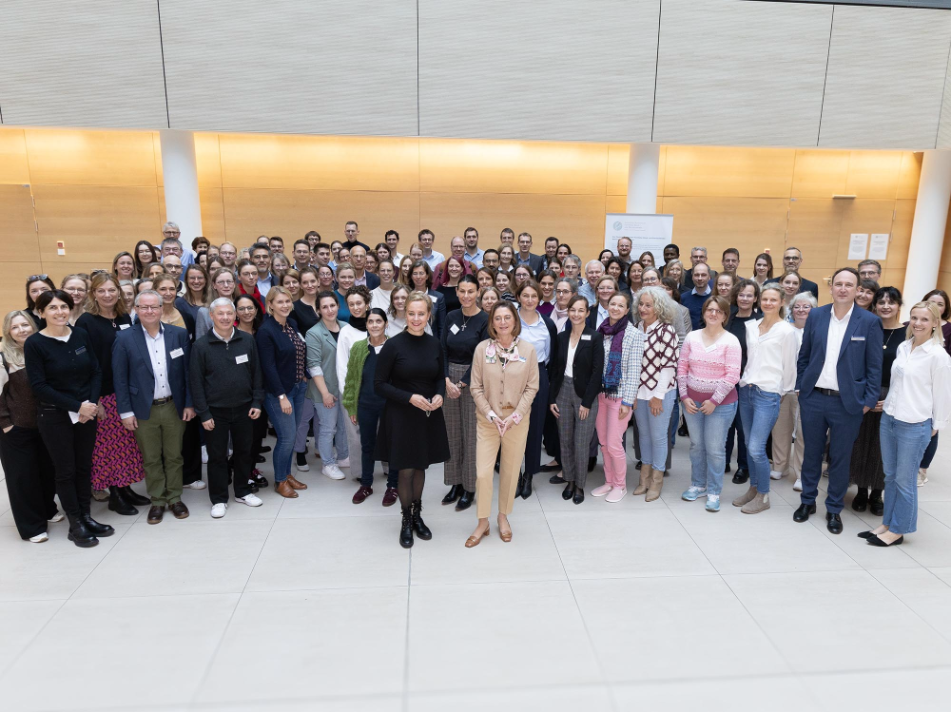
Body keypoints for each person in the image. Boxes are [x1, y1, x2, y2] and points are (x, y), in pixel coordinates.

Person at [794, 268, 883, 534]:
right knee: (811, 453)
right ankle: (807, 501)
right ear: (831, 287)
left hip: (848, 403)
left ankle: (833, 509)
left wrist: (867, 400)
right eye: (838, 284)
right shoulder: (817, 315)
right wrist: (801, 386)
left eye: (849, 284)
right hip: (814, 398)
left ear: (858, 290)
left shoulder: (868, 322)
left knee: (840, 458)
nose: (843, 288)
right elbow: (805, 355)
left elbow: (874, 367)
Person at [24, 289, 110, 547]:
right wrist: (77, 406)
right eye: (52, 308)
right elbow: (39, 386)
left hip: (87, 412)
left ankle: (86, 515)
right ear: (41, 312)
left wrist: (91, 404)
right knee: (65, 470)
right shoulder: (35, 343)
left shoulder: (80, 335)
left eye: (64, 306)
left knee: (84, 466)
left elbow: (96, 371)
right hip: (55, 416)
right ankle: (75, 523)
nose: (60, 312)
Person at [861, 301, 951, 547]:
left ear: (935, 323)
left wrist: (935, 427)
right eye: (914, 318)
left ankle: (899, 530)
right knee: (889, 476)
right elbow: (898, 383)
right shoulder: (903, 346)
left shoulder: (938, 355)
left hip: (914, 423)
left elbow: (943, 395)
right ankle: (887, 523)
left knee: (905, 479)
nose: (918, 323)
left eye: (924, 319)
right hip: (890, 418)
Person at [375, 291, 450, 548]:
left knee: (420, 466)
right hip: (402, 414)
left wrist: (440, 394)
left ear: (429, 315)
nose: (416, 318)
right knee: (405, 469)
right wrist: (409, 398)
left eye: (421, 314)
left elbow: (440, 376)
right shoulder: (393, 345)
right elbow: (379, 384)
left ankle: (417, 516)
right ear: (403, 313)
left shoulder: (435, 344)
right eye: (411, 313)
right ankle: (406, 520)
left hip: (428, 414)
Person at [113, 290, 194, 524]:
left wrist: (189, 403)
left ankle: (175, 498)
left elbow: (188, 373)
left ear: (161, 309)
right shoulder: (124, 338)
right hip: (142, 408)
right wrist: (125, 412)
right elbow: (120, 378)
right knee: (151, 458)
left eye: (154, 307)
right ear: (136, 310)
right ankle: (158, 500)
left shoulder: (178, 335)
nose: (149, 311)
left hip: (173, 406)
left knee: (174, 455)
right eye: (144, 307)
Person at [75, 273, 149, 516]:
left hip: (126, 391)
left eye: (111, 290)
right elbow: (85, 363)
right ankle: (115, 495)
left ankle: (125, 488)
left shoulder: (124, 317)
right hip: (103, 394)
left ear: (118, 291)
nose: (107, 295)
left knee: (127, 445)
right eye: (101, 291)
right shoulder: (87, 321)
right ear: (93, 294)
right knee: (109, 448)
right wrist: (94, 399)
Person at [468, 301, 539, 546]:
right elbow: (475, 387)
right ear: (492, 323)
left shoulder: (528, 350)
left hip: (516, 422)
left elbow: (532, 387)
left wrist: (515, 416)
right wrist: (490, 414)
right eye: (497, 318)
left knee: (510, 472)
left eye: (507, 317)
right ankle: (482, 521)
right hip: (488, 421)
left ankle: (503, 517)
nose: (503, 322)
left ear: (515, 321)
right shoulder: (482, 350)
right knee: (483, 473)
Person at [190, 298, 265, 518]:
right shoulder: (201, 346)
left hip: (245, 409)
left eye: (229, 313)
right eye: (220, 314)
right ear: (211, 316)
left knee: (244, 452)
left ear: (235, 316)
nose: (225, 318)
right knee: (217, 457)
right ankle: (219, 498)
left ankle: (242, 491)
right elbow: (196, 382)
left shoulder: (247, 341)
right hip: (215, 412)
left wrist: (257, 402)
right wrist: (203, 413)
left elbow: (257, 374)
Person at [732, 285, 798, 515]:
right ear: (760, 301)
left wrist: (782, 392)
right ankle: (754, 489)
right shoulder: (750, 326)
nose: (768, 303)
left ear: (781, 302)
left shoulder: (787, 331)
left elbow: (790, 367)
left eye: (774, 299)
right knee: (749, 445)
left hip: (768, 393)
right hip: (746, 389)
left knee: (756, 447)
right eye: (765, 299)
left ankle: (764, 495)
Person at [677, 295, 742, 512]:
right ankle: (697, 485)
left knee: (714, 449)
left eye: (719, 311)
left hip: (721, 405)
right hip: (692, 402)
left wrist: (714, 401)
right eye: (710, 309)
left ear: (725, 315)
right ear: (704, 312)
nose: (713, 314)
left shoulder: (731, 341)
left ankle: (714, 491)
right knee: (696, 446)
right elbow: (682, 368)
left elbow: (733, 375)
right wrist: (685, 397)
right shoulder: (691, 338)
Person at [0, 311, 60, 542]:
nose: (22, 330)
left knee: (47, 471)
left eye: (25, 324)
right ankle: (32, 527)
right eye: (15, 327)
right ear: (8, 332)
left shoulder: (41, 349)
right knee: (23, 478)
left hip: (46, 424)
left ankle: (48, 510)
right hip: (16, 428)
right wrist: (6, 424)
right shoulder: (4, 357)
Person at [846, 287, 902, 513]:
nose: (886, 306)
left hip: (894, 395)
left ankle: (877, 494)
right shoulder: (867, 327)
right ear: (875, 305)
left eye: (892, 302)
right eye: (881, 302)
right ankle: (860, 491)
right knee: (860, 444)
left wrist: (890, 399)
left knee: (882, 448)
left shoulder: (907, 334)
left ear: (899, 306)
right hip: (864, 394)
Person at [585, 292, 642, 502]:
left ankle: (620, 485)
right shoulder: (602, 331)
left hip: (620, 398)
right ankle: (609, 482)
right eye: (613, 304)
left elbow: (635, 371)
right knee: (603, 442)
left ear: (627, 310)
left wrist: (628, 402)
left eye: (621, 305)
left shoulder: (634, 334)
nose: (616, 308)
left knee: (614, 443)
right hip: (601, 395)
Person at [440, 276, 489, 510]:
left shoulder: (484, 321)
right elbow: (442, 350)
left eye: (471, 291)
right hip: (449, 380)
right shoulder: (451, 316)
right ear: (457, 292)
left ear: (478, 292)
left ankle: (470, 487)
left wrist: (461, 384)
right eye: (462, 291)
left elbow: (483, 358)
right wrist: (447, 380)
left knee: (471, 436)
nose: (466, 296)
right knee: (452, 434)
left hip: (474, 382)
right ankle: (455, 483)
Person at [256, 286, 310, 498]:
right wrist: (281, 396)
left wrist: (303, 373)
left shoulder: (292, 324)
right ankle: (279, 481)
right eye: (280, 302)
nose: (286, 305)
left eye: (288, 301)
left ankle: (287, 474)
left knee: (292, 434)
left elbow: (299, 349)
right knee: (287, 437)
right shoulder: (266, 331)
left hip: (297, 387)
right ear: (270, 305)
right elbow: (268, 367)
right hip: (278, 393)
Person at [549, 295, 603, 503]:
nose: (576, 314)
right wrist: (552, 398)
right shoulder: (562, 336)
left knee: (581, 443)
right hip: (563, 390)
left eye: (581, 310)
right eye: (573, 310)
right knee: (565, 440)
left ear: (587, 313)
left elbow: (597, 372)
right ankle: (569, 480)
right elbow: (555, 368)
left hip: (585, 394)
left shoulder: (594, 337)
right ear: (568, 312)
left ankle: (580, 485)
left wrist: (587, 402)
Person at [343, 307, 399, 506]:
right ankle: (366, 484)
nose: (374, 325)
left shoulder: (394, 346)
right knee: (367, 445)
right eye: (370, 322)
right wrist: (351, 406)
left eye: (378, 321)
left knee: (392, 445)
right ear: (366, 325)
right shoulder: (359, 348)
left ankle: (393, 485)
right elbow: (351, 379)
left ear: (385, 324)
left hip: (390, 405)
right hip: (365, 404)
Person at [632, 287, 680, 502]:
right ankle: (644, 479)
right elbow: (631, 365)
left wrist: (658, 396)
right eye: (641, 304)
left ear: (658, 307)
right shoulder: (636, 328)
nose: (643, 308)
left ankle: (657, 480)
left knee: (659, 438)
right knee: (643, 437)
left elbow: (669, 366)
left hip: (661, 393)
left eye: (648, 305)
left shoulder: (666, 331)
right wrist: (632, 394)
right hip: (639, 394)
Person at [514, 279, 558, 499]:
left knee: (535, 429)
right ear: (518, 297)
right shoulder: (510, 321)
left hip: (538, 375)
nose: (530, 300)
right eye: (525, 295)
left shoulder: (547, 324)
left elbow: (550, 356)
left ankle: (529, 474)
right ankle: (514, 475)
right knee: (513, 428)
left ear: (540, 298)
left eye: (534, 296)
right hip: (512, 376)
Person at [770, 291, 815, 491]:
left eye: (806, 306)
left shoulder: (818, 332)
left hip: (806, 390)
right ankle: (780, 466)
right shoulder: (784, 330)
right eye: (797, 306)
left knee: (804, 433)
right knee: (780, 428)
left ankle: (800, 473)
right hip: (782, 387)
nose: (801, 310)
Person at [725, 279, 761, 484]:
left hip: (748, 382)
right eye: (741, 294)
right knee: (725, 423)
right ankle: (724, 461)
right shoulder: (727, 319)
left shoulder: (761, 322)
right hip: (726, 381)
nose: (744, 298)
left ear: (755, 298)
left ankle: (743, 465)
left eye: (749, 295)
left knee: (743, 425)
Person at [336, 286, 372, 477]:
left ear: (367, 304)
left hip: (376, 391)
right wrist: (349, 398)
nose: (356, 307)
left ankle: (386, 468)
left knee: (381, 431)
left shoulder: (377, 325)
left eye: (359, 303)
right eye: (351, 304)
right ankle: (360, 473)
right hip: (354, 393)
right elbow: (342, 367)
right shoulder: (345, 332)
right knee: (356, 436)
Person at [235, 294, 269, 492]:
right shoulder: (232, 333)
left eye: (250, 308)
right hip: (242, 393)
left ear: (256, 310)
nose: (247, 312)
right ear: (235, 312)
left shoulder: (262, 332)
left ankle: (251, 469)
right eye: (242, 308)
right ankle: (243, 473)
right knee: (244, 438)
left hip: (262, 392)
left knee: (257, 435)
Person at [917, 288, 951, 485]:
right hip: (915, 384)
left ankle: (922, 468)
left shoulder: (949, 330)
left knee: (932, 427)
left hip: (936, 384)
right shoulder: (913, 324)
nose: (935, 306)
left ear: (945, 308)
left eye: (940, 303)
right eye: (931, 302)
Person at [409, 260, 446, 339]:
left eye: (421, 273)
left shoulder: (439, 297)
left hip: (432, 341)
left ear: (427, 276)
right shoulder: (406, 296)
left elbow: (441, 327)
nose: (418, 277)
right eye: (415, 273)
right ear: (411, 276)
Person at [681, 263, 713, 330]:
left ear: (709, 277)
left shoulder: (716, 298)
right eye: (696, 275)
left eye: (703, 275)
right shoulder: (683, 298)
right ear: (692, 277)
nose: (700, 278)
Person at [292, 267, 321, 335]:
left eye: (312, 281)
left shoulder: (326, 302)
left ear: (318, 282)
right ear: (300, 285)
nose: (310, 285)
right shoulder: (294, 308)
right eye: (305, 282)